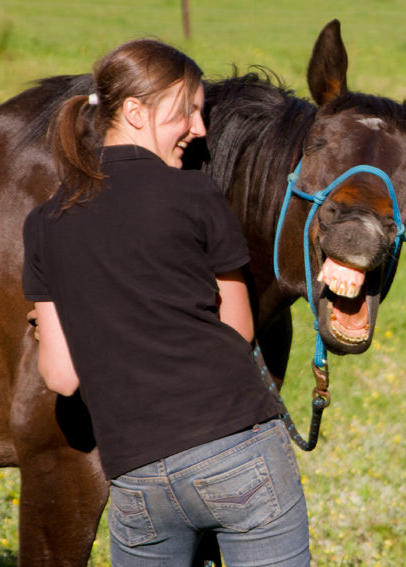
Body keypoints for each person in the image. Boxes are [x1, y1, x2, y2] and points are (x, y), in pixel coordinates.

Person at [21, 39, 310, 566]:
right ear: (134, 111)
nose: (199, 130)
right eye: (188, 112)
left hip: (138, 476)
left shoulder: (44, 224)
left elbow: (61, 378)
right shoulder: (197, 195)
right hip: (239, 452)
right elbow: (239, 329)